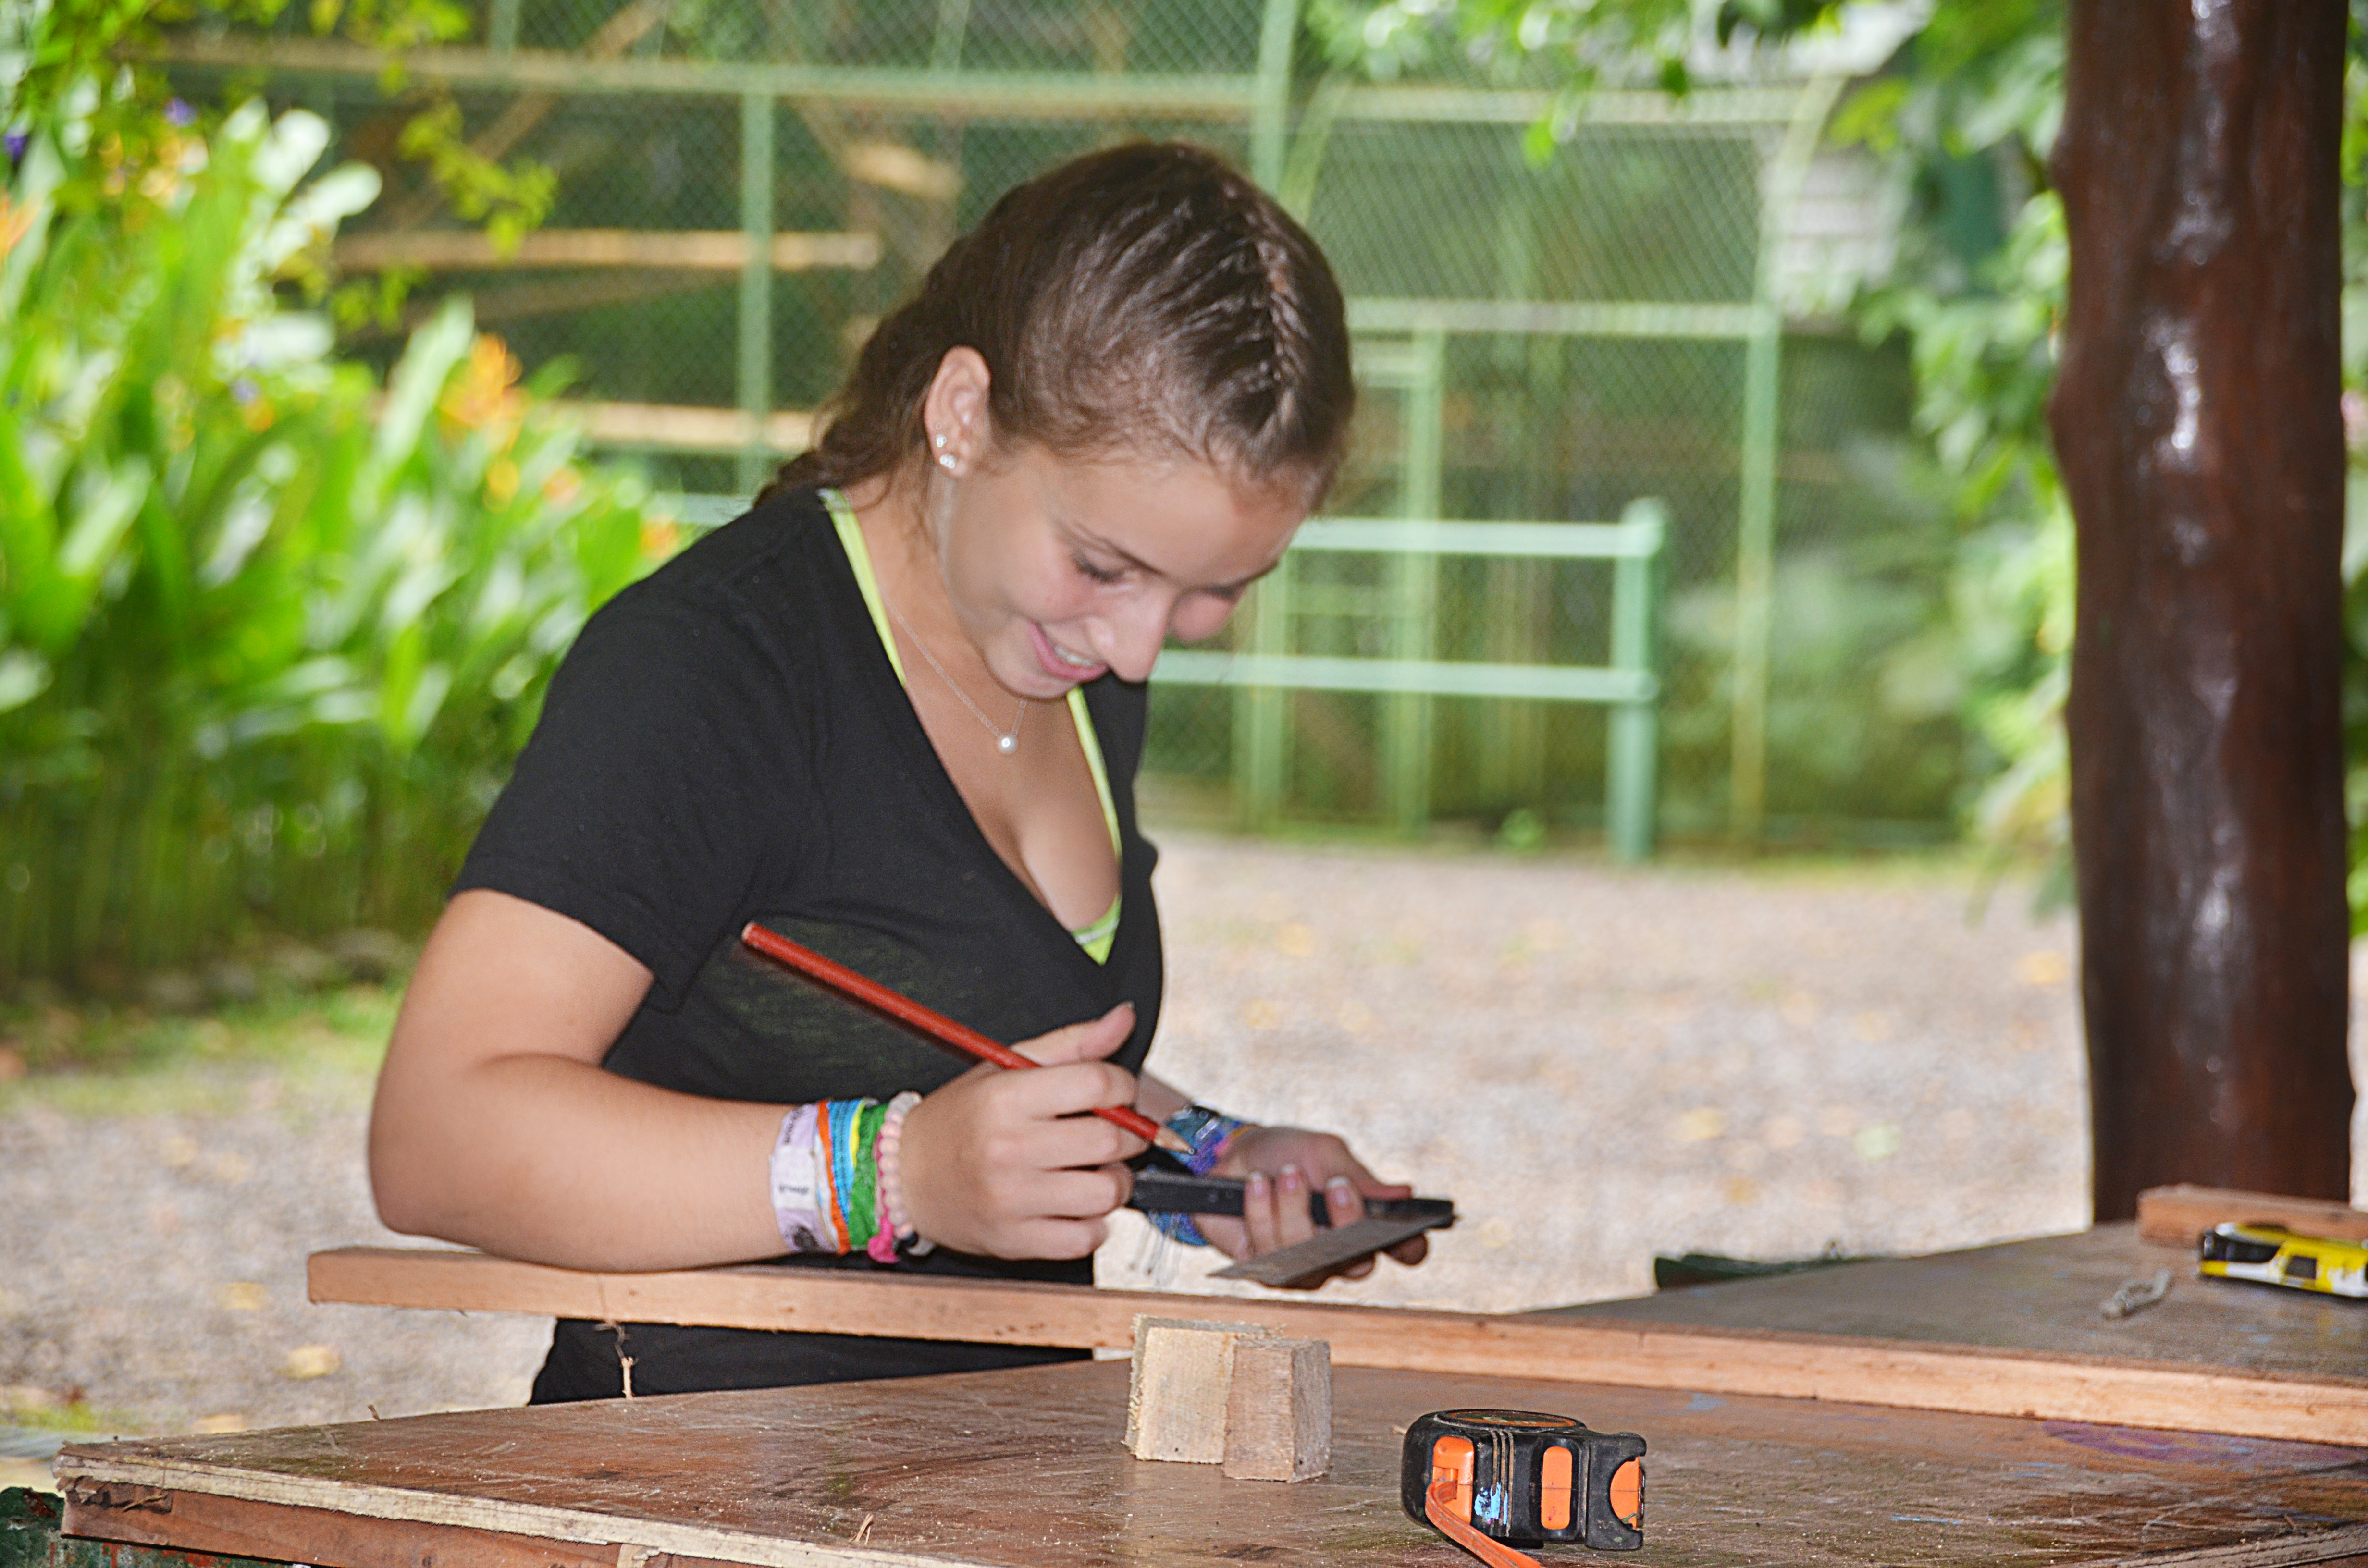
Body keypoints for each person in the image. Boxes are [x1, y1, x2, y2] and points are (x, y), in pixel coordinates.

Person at [367, 140, 1427, 1403]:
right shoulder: (715, 667)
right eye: (1103, 564)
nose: (1138, 644)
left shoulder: (1066, 660)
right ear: (963, 414)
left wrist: (1211, 1157)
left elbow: (961, 1042)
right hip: (688, 1498)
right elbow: (438, 1132)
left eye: (1216, 592)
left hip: (1004, 1486)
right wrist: (899, 1173)